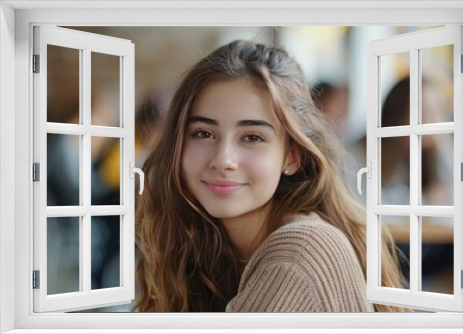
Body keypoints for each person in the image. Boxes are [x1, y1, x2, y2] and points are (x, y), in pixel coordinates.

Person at [133, 40, 408, 312]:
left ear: (292, 156)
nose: (223, 159)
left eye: (252, 137)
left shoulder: (298, 253)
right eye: (204, 133)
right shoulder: (207, 250)